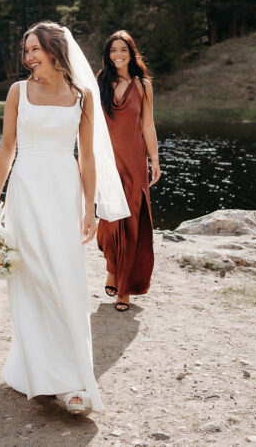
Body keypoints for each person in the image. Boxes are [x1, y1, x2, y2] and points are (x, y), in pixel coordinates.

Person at [0, 21, 128, 414]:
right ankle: (43, 374)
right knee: (31, 278)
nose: (28, 57)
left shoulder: (82, 97)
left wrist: (90, 207)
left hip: (65, 191)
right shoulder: (17, 92)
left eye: (35, 49)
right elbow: (7, 148)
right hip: (26, 191)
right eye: (25, 50)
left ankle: (74, 378)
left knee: (66, 279)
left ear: (55, 50)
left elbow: (88, 156)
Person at [96, 31, 160, 312]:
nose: (118, 54)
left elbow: (147, 125)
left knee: (132, 221)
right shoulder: (100, 82)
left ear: (132, 52)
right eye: (113, 50)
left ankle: (124, 289)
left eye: (123, 49)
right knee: (110, 220)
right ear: (108, 54)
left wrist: (155, 160)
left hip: (135, 161)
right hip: (107, 161)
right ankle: (112, 268)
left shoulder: (143, 85)